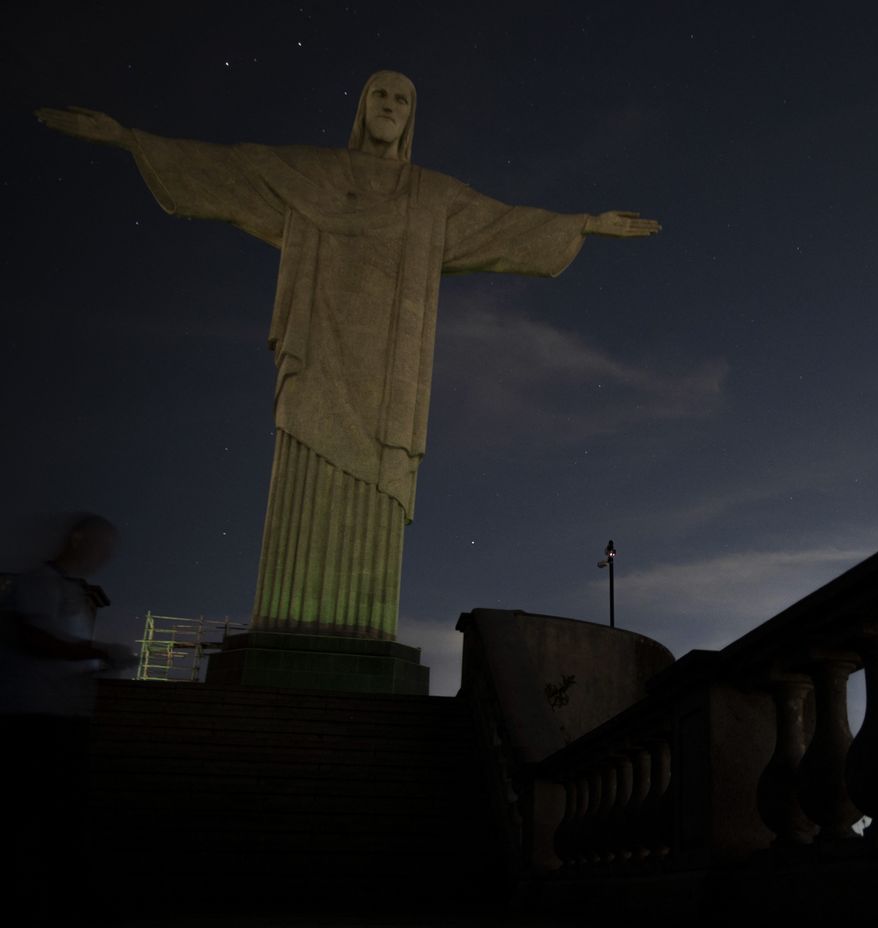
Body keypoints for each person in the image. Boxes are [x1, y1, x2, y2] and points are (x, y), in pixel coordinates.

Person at [35, 71, 661, 641]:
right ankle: (284, 624)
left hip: (388, 375)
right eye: (379, 96)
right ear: (362, 108)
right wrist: (129, 140)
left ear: (411, 117)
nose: (389, 107)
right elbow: (226, 168)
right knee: (303, 464)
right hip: (317, 355)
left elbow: (504, 225)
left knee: (377, 483)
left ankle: (361, 635)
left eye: (402, 100)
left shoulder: (431, 197)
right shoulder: (311, 174)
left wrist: (581, 224)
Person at [0, 513, 133, 920]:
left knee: (60, 813)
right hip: (33, 718)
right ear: (77, 540)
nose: (104, 554)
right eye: (100, 544)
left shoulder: (69, 591)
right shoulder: (39, 583)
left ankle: (59, 903)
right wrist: (98, 653)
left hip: (64, 715)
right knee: (41, 813)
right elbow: (35, 639)